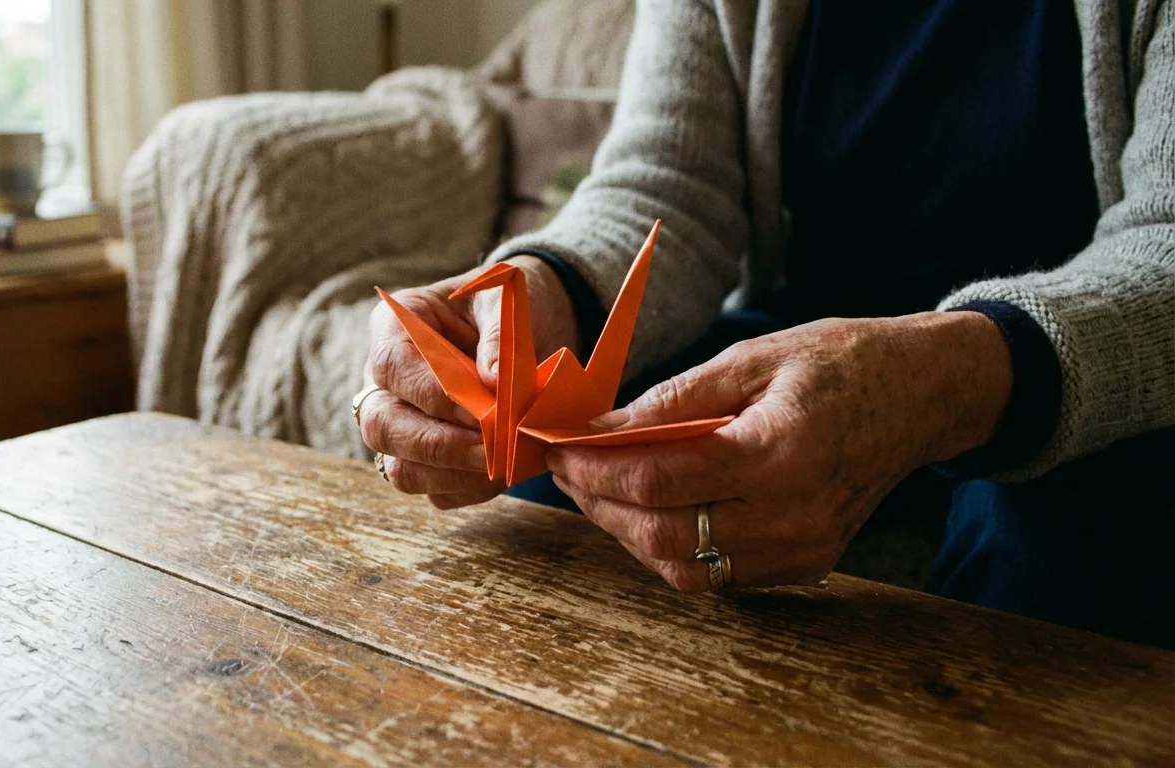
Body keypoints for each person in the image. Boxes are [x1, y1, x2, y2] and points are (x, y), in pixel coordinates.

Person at [355, 0, 1175, 647]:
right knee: (536, 494)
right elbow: (668, 182)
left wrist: (949, 379)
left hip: (1054, 376)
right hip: (793, 339)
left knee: (1044, 556)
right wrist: (536, 292)